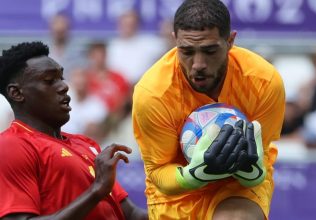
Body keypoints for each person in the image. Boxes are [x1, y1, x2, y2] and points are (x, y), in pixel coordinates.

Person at [132, 0, 285, 219]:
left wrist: (252, 174)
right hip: (177, 195)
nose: (198, 64)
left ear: (230, 41)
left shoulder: (264, 81)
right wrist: (196, 174)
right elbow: (158, 171)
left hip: (237, 188)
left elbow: (262, 154)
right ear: (175, 41)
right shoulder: (152, 94)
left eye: (210, 51)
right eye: (186, 51)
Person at [0, 42, 148, 220]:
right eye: (49, 81)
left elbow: (131, 214)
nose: (64, 86)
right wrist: (96, 190)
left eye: (61, 77)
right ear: (16, 93)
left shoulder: (85, 144)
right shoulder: (12, 146)